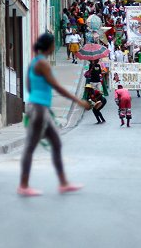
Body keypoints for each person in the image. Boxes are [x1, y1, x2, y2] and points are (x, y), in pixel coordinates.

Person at [18, 33, 91, 197]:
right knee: (31, 146)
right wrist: (79, 102)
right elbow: (56, 86)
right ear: (50, 46)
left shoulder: (34, 62)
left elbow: (29, 86)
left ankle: (63, 183)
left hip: (38, 107)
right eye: (53, 45)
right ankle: (23, 185)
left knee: (56, 143)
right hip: (39, 109)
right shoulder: (43, 63)